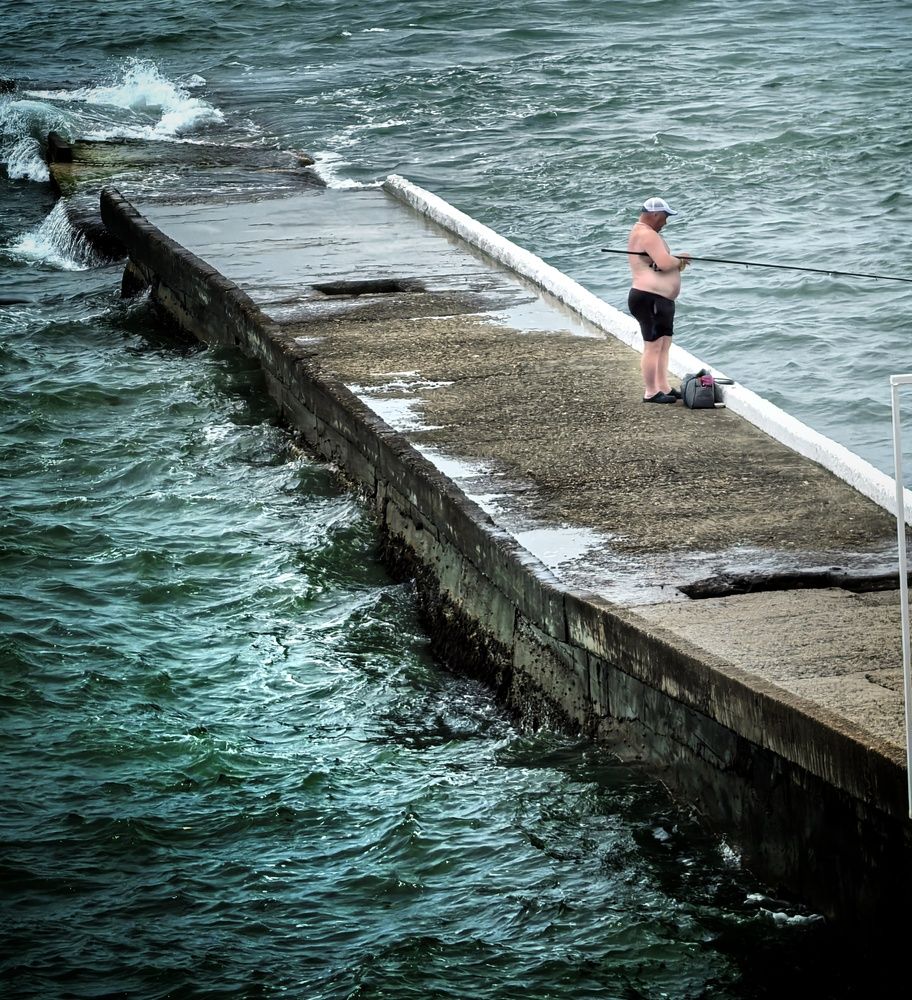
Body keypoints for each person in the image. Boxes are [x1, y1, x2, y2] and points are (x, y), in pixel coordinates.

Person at [626, 197, 691, 403]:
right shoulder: (646, 234)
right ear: (654, 214)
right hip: (649, 298)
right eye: (664, 217)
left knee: (664, 344)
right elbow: (663, 263)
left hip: (658, 299)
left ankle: (663, 386)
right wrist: (679, 260)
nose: (666, 222)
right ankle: (651, 391)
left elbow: (658, 261)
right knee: (653, 346)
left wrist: (674, 261)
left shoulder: (643, 233)